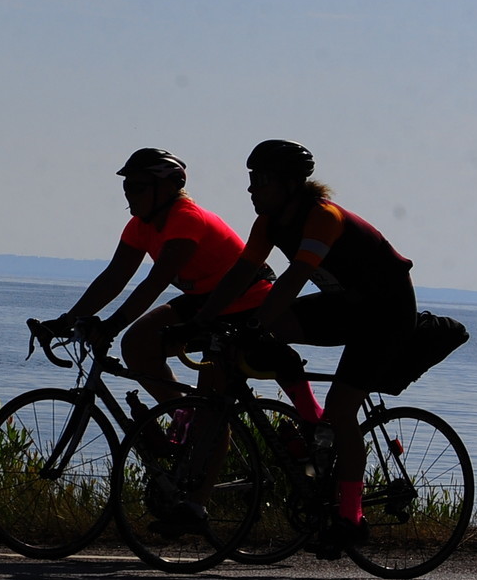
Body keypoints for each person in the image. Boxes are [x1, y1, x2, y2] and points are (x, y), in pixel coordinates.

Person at [183, 140, 417, 548]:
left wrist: (255, 325)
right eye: (251, 179)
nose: (251, 188)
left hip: (386, 314)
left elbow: (293, 279)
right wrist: (201, 321)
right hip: (346, 305)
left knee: (341, 410)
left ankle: (351, 519)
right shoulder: (268, 223)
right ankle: (312, 423)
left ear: (290, 185)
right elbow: (240, 275)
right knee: (259, 333)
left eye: (260, 180)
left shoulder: (323, 217)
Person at [41, 148, 294, 411]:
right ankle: (183, 417)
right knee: (136, 345)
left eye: (137, 187)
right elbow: (114, 277)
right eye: (126, 186)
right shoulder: (141, 225)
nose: (128, 194)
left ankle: (201, 427)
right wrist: (65, 321)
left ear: (166, 188)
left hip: (245, 302)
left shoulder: (186, 219)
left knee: (210, 408)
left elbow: (155, 282)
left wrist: (111, 326)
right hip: (203, 300)